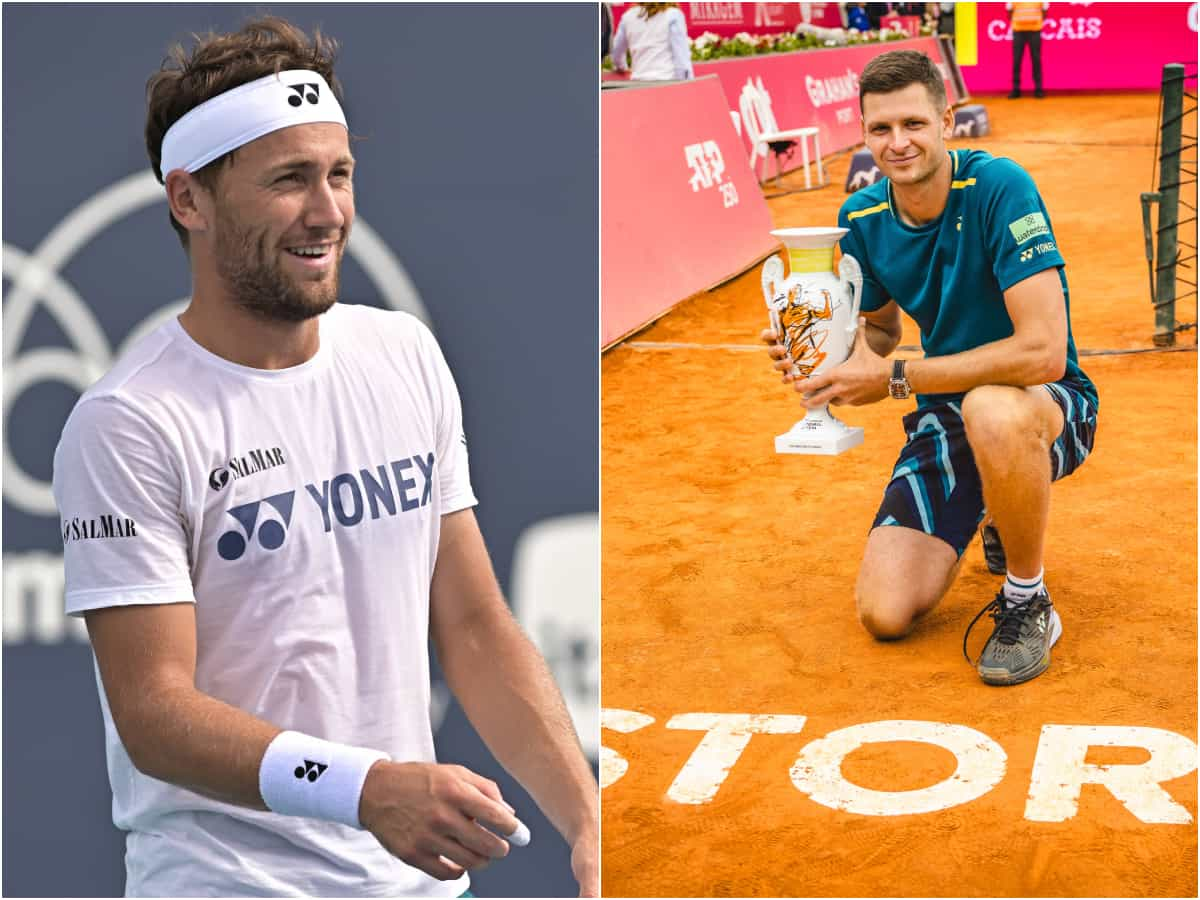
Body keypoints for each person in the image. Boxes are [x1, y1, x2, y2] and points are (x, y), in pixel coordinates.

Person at [52, 16, 598, 897]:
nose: (329, 210)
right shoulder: (130, 422)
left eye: (340, 173)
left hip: (416, 881)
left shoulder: (405, 353)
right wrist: (366, 789)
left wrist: (587, 819)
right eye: (289, 180)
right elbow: (153, 712)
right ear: (189, 199)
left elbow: (471, 624)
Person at [763, 50, 1097, 686]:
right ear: (862, 133)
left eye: (914, 124)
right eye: (881, 129)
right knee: (884, 613)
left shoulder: (1000, 186)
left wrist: (891, 381)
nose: (898, 143)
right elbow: (883, 331)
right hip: (949, 403)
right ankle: (997, 503)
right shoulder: (858, 218)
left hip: (1045, 398)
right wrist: (826, 347)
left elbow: (1043, 351)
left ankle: (1028, 600)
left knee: (991, 409)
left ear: (947, 120)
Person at [610, 3, 693, 82]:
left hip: (637, 83)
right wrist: (686, 84)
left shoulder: (627, 16)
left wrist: (623, 67)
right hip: (667, 81)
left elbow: (616, 53)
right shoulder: (673, 14)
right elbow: (681, 58)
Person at [1008, 1, 1049, 98]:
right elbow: (1009, 10)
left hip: (1035, 30)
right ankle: (1016, 89)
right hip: (1018, 30)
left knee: (1036, 59)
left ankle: (1038, 89)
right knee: (1016, 60)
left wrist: (1036, 22)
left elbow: (1044, 10)